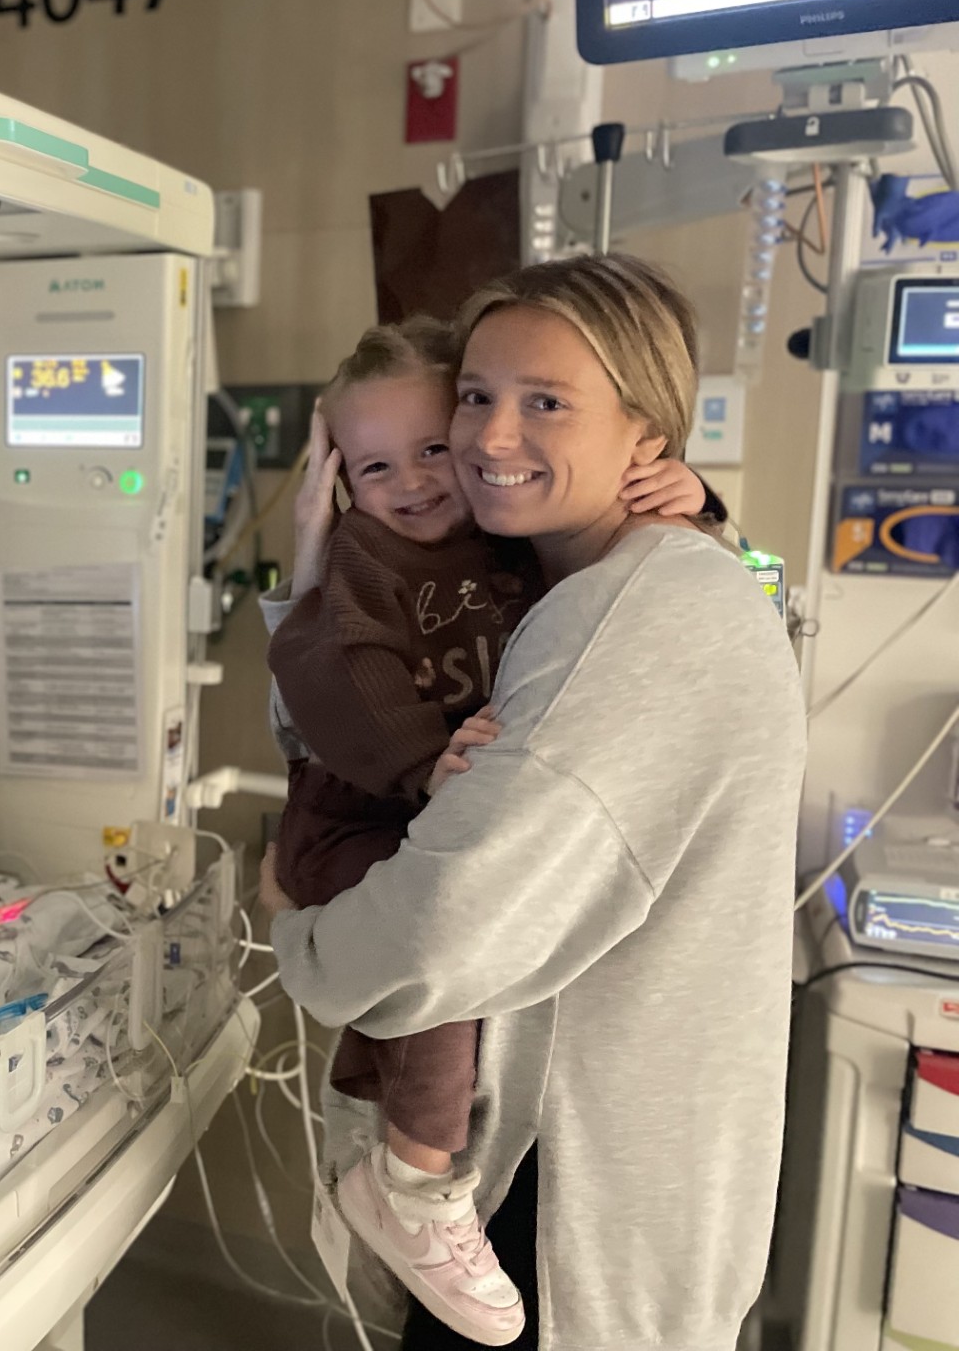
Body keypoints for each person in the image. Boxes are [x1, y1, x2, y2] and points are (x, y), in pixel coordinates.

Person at [262, 254, 805, 1351]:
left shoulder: (624, 614)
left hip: (571, 1191)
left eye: (545, 403)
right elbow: (336, 704)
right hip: (559, 1154)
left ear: (648, 435)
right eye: (475, 396)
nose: (485, 439)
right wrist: (313, 560)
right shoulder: (566, 583)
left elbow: (443, 927)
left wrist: (296, 933)